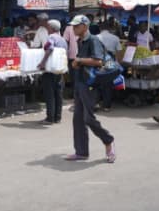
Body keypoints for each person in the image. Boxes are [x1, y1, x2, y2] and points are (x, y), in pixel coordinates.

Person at [65, 15, 116, 163]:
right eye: (73, 26)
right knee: (78, 119)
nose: (74, 28)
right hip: (80, 83)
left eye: (77, 26)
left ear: (85, 26)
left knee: (88, 118)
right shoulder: (80, 41)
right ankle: (81, 152)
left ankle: (108, 140)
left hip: (90, 85)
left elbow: (98, 61)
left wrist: (79, 61)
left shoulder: (93, 40)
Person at [37, 20, 68, 125]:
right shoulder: (62, 39)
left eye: (48, 27)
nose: (47, 28)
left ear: (52, 28)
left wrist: (42, 62)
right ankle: (57, 118)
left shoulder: (51, 37)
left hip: (50, 70)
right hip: (59, 70)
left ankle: (50, 118)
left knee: (49, 94)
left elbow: (49, 48)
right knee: (58, 94)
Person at [97, 22, 123, 111]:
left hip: (99, 59)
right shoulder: (115, 38)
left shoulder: (96, 37)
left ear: (100, 28)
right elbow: (119, 52)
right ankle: (106, 106)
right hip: (110, 59)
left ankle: (97, 102)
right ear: (109, 29)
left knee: (97, 80)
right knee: (108, 81)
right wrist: (118, 63)